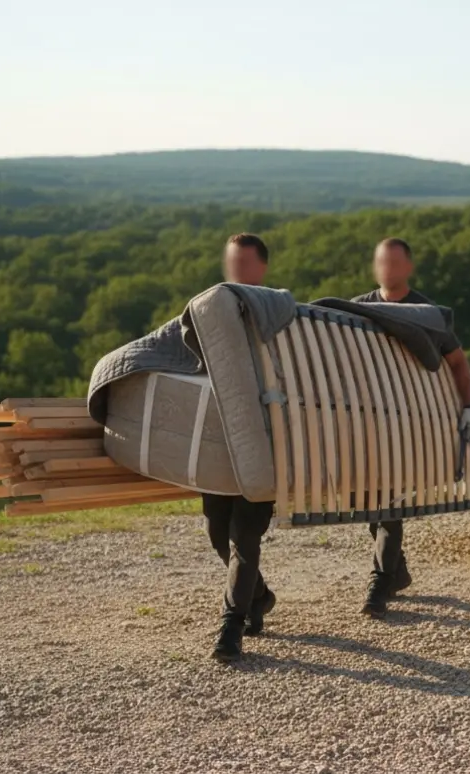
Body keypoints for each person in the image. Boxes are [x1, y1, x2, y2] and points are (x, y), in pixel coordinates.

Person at [352, 237, 470, 617]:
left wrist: (467, 408)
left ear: (408, 267)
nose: (386, 270)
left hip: (409, 427)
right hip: (368, 428)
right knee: (368, 506)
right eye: (380, 263)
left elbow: (458, 363)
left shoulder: (426, 314)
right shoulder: (357, 310)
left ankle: (378, 585)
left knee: (390, 507)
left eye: (393, 263)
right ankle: (397, 571)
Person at [206, 232, 277, 662]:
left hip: (264, 445)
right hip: (219, 447)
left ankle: (230, 629)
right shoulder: (213, 314)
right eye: (231, 263)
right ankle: (260, 596)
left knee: (245, 537)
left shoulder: (275, 313)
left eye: (243, 264)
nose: (235, 271)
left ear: (261, 268)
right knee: (217, 533)